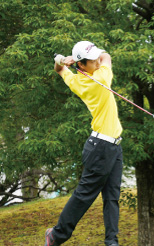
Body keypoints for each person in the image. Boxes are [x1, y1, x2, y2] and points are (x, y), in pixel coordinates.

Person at [46, 41, 123, 246]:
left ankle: (111, 242)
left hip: (113, 146)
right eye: (92, 60)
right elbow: (107, 57)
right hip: (101, 148)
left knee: (112, 197)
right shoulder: (101, 77)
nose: (98, 60)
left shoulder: (76, 81)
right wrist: (76, 58)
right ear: (82, 65)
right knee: (84, 196)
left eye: (96, 56)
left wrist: (62, 60)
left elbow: (59, 68)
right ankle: (56, 235)